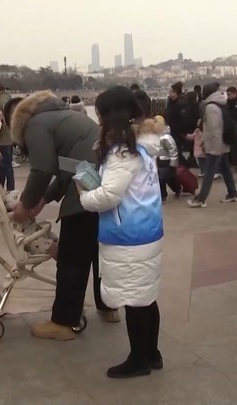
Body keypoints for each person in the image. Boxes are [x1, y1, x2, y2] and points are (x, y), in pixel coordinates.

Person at [8, 90, 119, 341]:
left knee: (72, 257)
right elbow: (70, 167)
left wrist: (25, 205)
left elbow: (42, 168)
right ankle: (108, 306)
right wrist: (43, 200)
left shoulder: (35, 124)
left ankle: (64, 322)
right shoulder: (67, 117)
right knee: (97, 252)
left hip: (84, 192)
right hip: (103, 184)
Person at [79, 86, 163, 378]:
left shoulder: (121, 153)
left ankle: (138, 359)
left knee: (134, 301)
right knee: (146, 298)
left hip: (126, 236)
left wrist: (85, 196)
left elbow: (108, 196)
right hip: (147, 233)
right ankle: (152, 353)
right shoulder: (143, 146)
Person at [188, 83, 237, 207]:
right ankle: (232, 193)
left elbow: (214, 128)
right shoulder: (220, 104)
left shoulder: (210, 107)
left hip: (215, 145)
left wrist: (214, 148)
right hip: (222, 144)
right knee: (225, 170)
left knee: (209, 172)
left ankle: (201, 198)